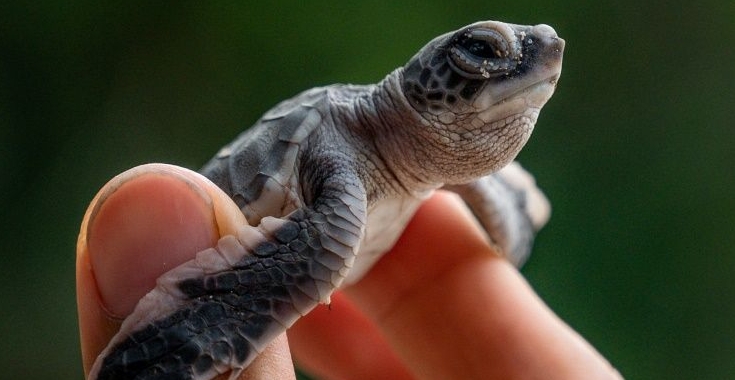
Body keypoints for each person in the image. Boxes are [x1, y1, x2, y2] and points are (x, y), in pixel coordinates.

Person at [76, 164, 622, 380]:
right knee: (325, 248)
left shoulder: (436, 168)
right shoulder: (351, 173)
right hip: (233, 202)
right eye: (481, 54)